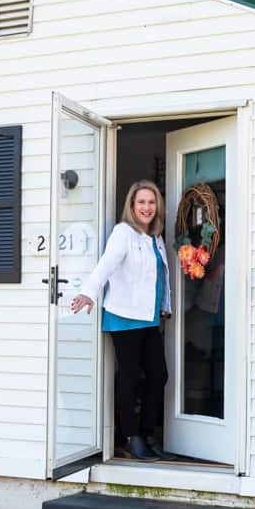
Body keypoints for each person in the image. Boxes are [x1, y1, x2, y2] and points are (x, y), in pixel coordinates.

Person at [71, 180, 173, 461]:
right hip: (124, 316)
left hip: (148, 318)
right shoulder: (123, 233)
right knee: (129, 378)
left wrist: (165, 305)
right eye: (141, 202)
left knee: (158, 375)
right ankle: (131, 436)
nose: (147, 207)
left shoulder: (156, 237)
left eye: (151, 202)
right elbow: (107, 264)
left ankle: (149, 433)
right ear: (131, 205)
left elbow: (160, 277)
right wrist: (89, 292)